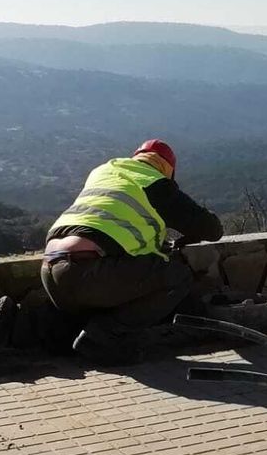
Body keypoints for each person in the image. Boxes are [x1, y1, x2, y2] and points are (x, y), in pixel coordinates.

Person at [43, 139, 224, 364]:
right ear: (168, 170)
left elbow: (114, 226)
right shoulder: (154, 182)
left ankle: (65, 337)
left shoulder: (104, 171)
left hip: (51, 270)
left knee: (124, 277)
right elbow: (212, 229)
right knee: (177, 276)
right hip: (89, 272)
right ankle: (103, 338)